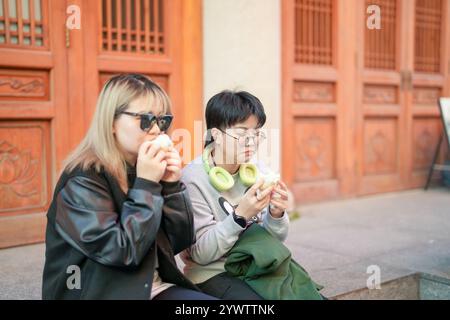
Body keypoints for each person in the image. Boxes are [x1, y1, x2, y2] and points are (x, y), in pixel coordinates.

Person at [42, 73, 216, 300]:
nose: (156, 130)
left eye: (162, 120)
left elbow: (177, 243)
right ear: (112, 122)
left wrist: (172, 187)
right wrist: (146, 185)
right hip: (97, 292)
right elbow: (122, 252)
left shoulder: (142, 168)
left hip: (149, 286)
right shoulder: (83, 180)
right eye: (145, 119)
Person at [180, 90, 290, 299]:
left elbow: (272, 241)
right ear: (217, 135)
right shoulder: (192, 179)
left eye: (256, 133)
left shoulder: (257, 170)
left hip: (256, 266)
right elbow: (200, 255)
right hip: (213, 274)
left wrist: (276, 215)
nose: (251, 141)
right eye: (241, 134)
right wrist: (240, 216)